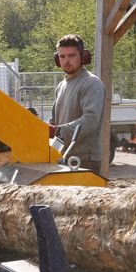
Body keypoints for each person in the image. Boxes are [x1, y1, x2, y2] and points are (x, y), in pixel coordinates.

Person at [50, 34, 106, 173]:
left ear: (83, 56)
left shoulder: (91, 83)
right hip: (63, 156)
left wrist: (58, 131)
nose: (66, 60)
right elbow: (54, 121)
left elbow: (90, 121)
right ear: (57, 59)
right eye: (62, 56)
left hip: (85, 159)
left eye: (71, 55)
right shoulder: (61, 86)